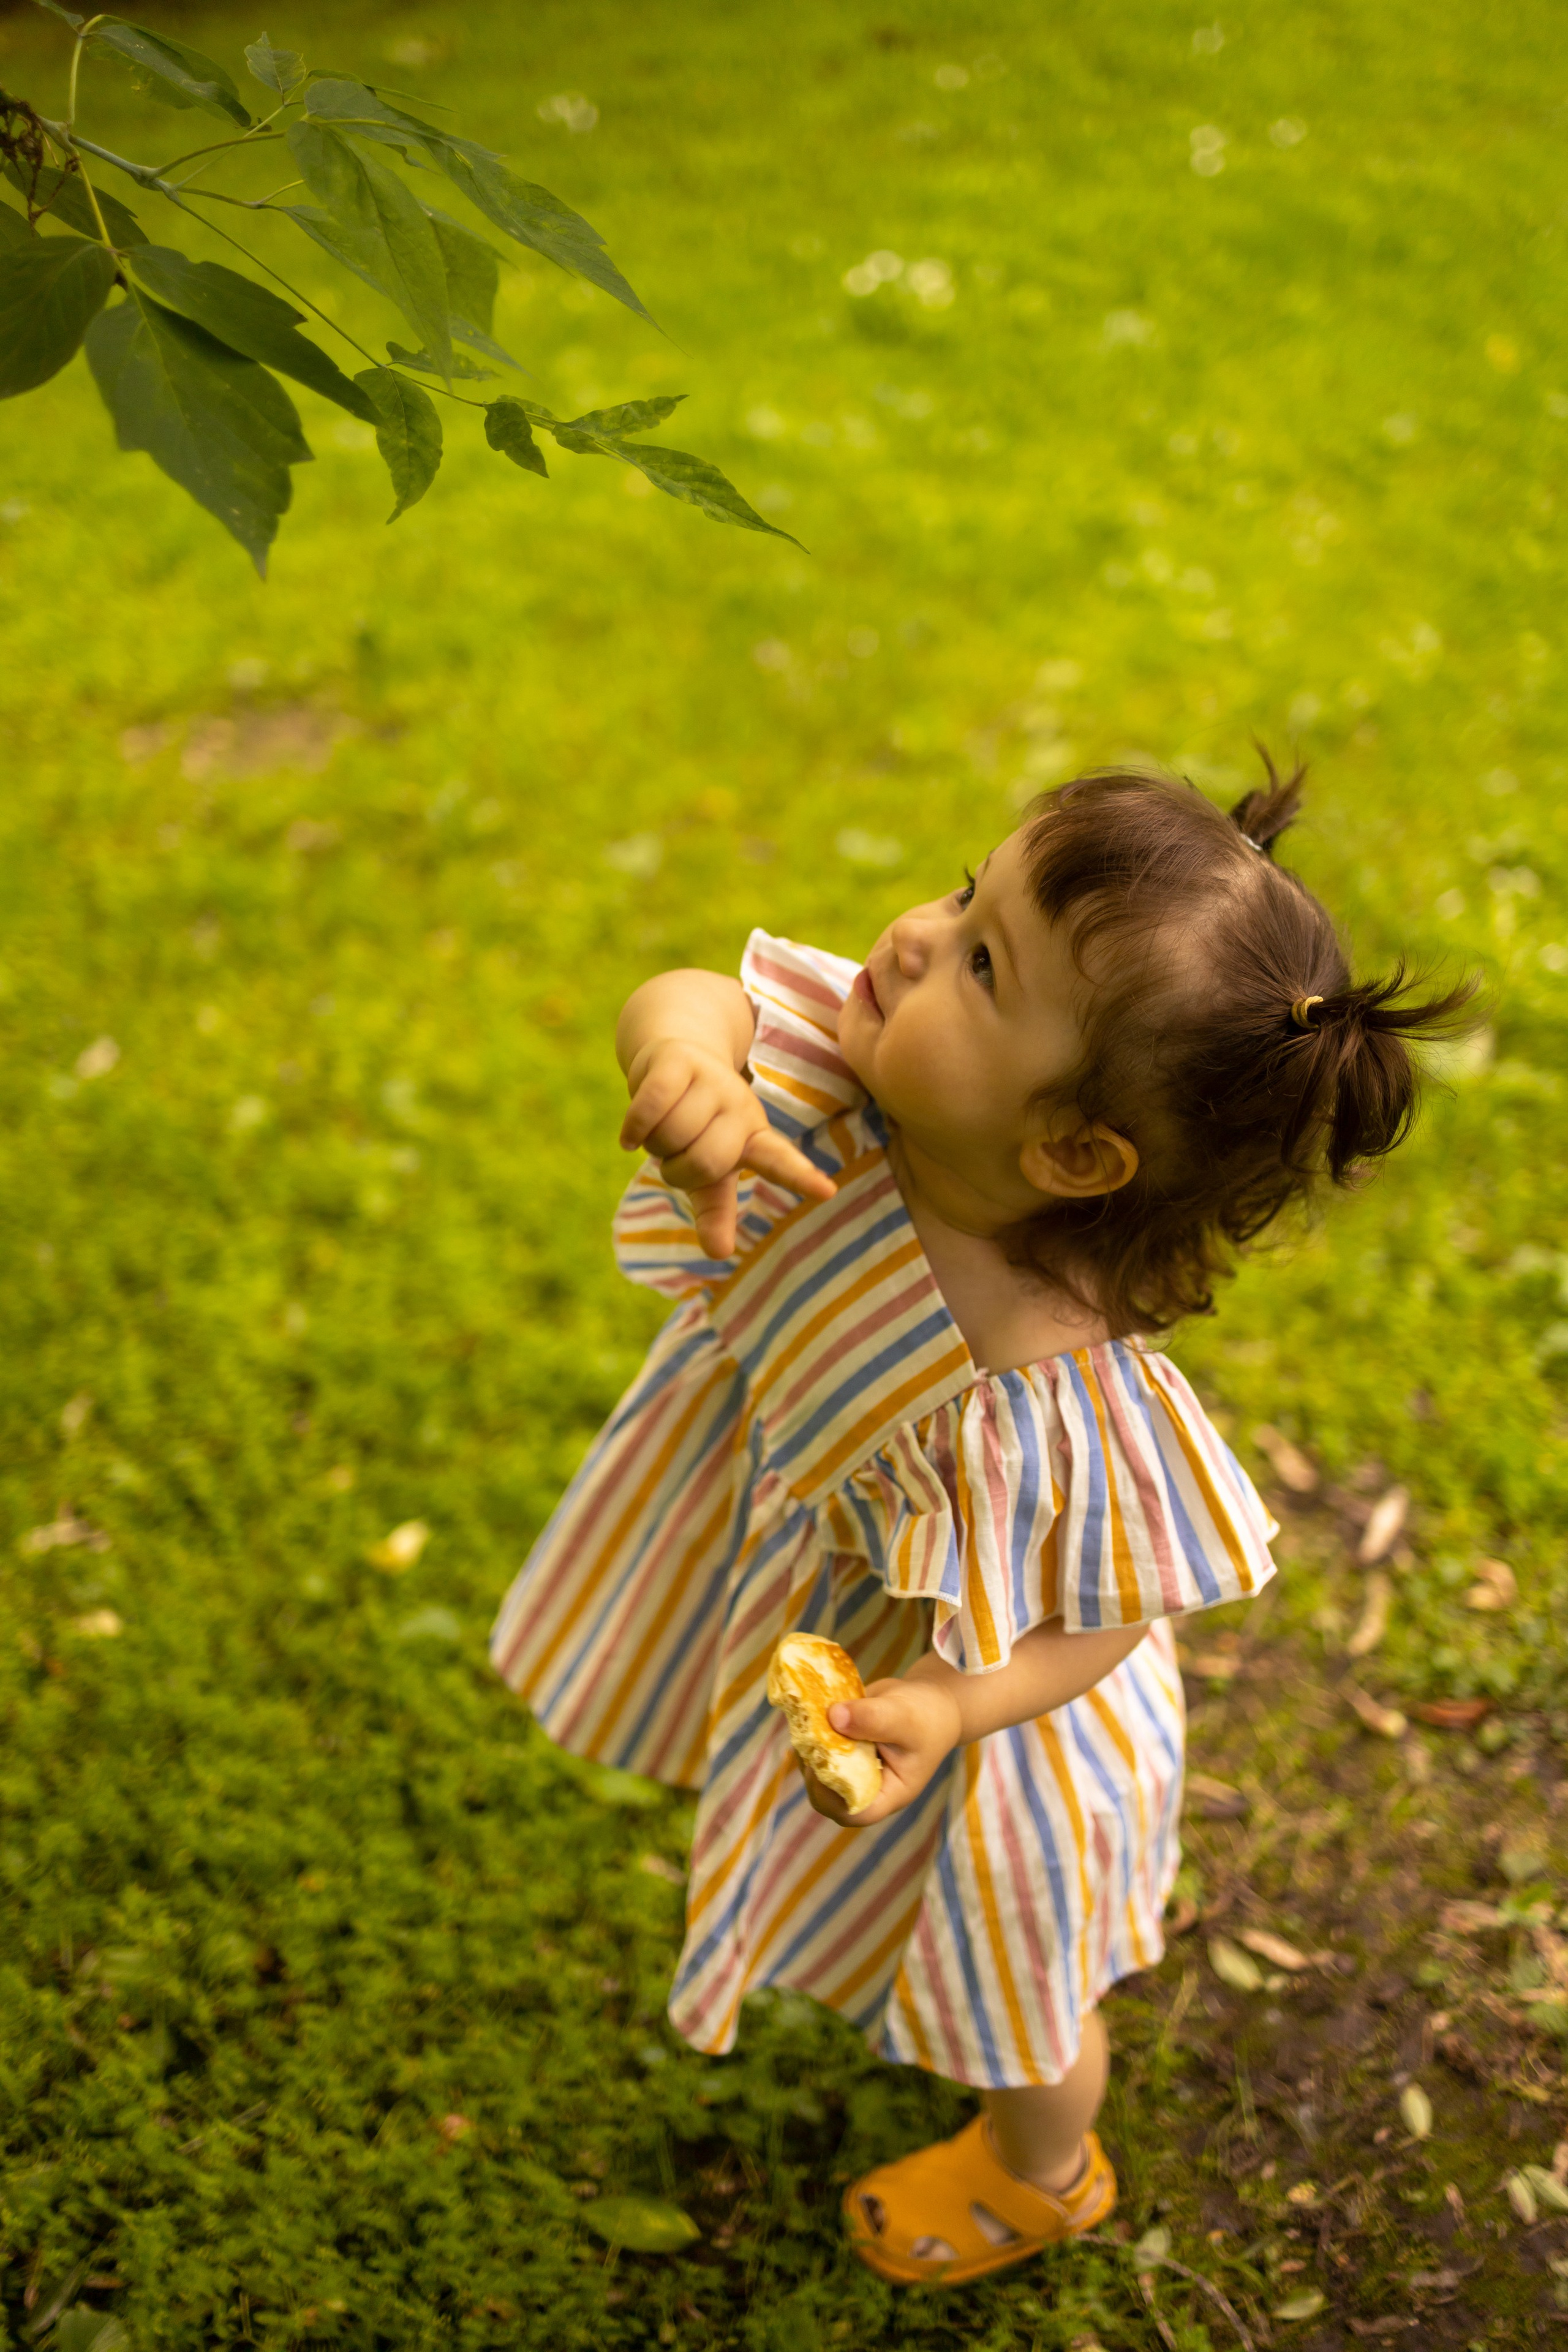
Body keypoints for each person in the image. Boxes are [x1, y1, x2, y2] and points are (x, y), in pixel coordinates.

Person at [491, 759, 1472, 2286]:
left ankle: (1042, 2166)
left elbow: (1105, 1617)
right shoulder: (834, 1080)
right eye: (962, 894)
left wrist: (957, 1701)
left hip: (998, 1722)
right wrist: (681, 1056)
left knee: (1017, 1991)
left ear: (1072, 1154)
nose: (906, 942)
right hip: (815, 1581)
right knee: (851, 1865)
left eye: (980, 962)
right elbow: (700, 992)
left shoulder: (1054, 1389)